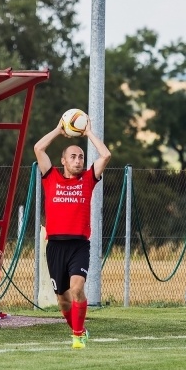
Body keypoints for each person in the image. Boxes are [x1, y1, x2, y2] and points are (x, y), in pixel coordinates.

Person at [33, 116, 111, 349]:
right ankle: (81, 329)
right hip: (55, 246)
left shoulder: (88, 180)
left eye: (81, 157)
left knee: (77, 289)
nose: (78, 161)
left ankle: (77, 337)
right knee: (63, 300)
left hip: (78, 245)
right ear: (63, 161)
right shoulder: (51, 178)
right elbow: (38, 148)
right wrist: (58, 129)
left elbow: (106, 155)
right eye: (73, 157)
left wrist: (88, 134)